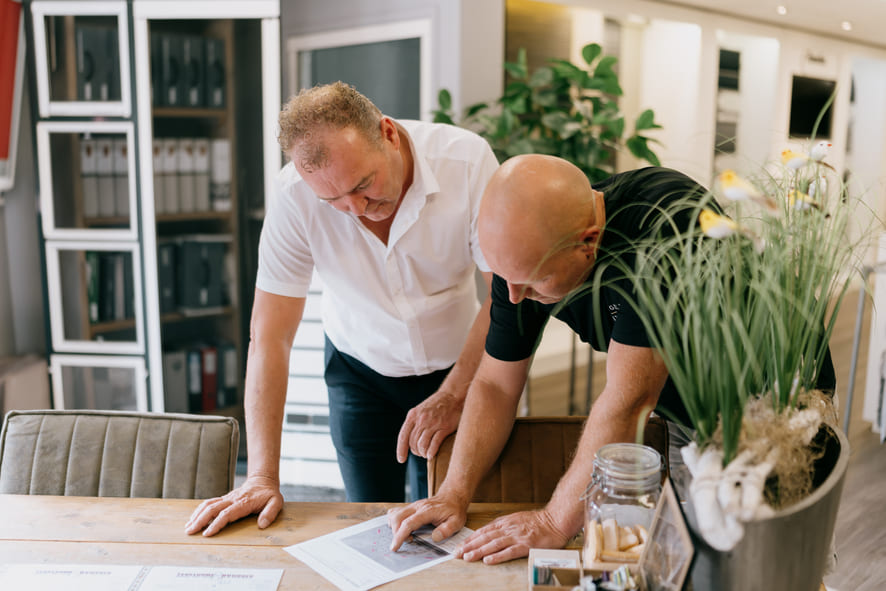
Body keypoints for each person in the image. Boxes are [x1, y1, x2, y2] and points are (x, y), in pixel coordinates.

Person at [387, 154, 834, 563]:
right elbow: (495, 385)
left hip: (777, 409)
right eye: (505, 279)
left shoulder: (665, 225)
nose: (514, 297)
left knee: (764, 562)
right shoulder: (521, 258)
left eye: (532, 282)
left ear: (588, 242)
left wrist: (552, 522)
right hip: (686, 408)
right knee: (689, 555)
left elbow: (629, 400)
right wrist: (453, 493)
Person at [185, 82, 499, 537]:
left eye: (363, 185)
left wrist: (454, 394)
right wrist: (261, 476)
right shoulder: (293, 195)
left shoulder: (466, 163)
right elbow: (270, 337)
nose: (356, 210)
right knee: (372, 520)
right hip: (358, 369)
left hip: (457, 366)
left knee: (452, 519)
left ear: (388, 133)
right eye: (333, 201)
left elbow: (505, 296)